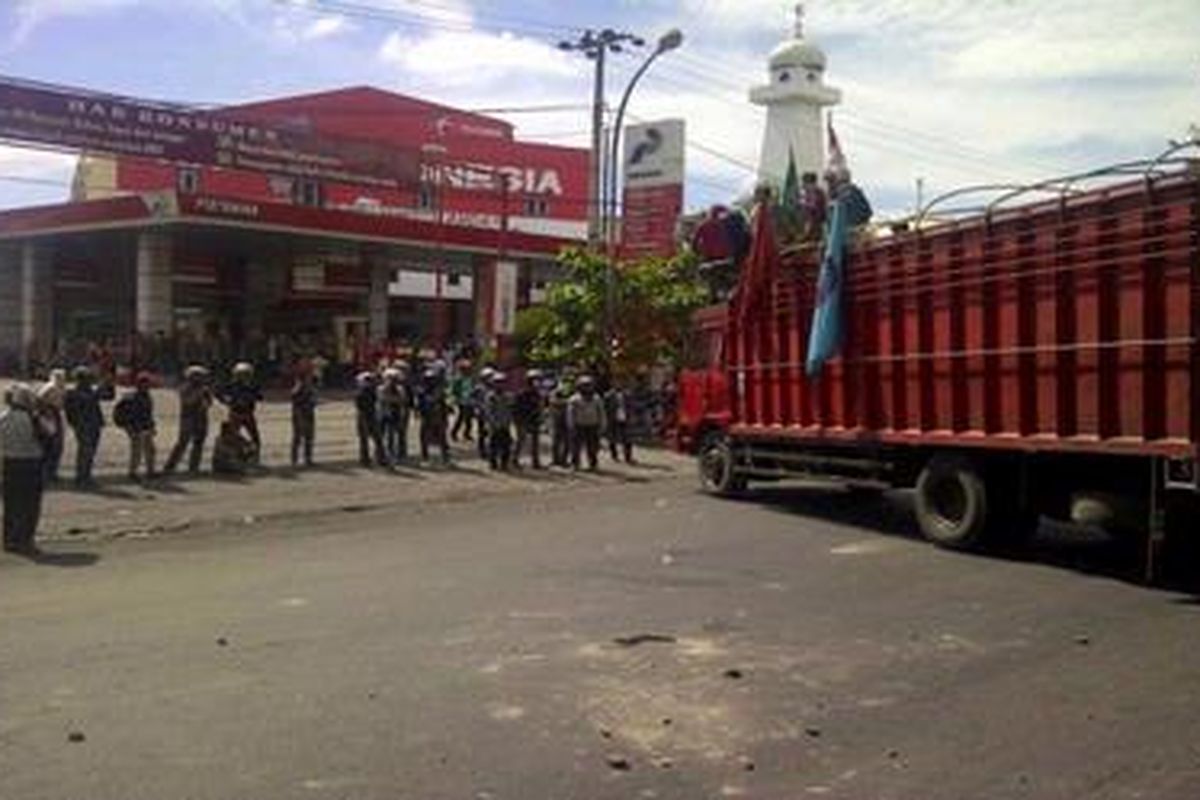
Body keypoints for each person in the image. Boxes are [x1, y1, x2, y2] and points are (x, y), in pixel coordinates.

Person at [1, 384, 47, 555]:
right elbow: (51, 432)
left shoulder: (3, 418)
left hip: (9, 463)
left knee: (11, 504)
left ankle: (9, 540)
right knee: (30, 506)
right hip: (31, 463)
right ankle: (25, 540)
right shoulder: (33, 419)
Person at [164, 365, 213, 475]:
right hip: (188, 418)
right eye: (199, 376)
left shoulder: (205, 389)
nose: (201, 379)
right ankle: (170, 466)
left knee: (198, 443)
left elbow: (209, 403)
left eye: (202, 377)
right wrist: (199, 393)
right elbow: (187, 401)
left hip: (201, 418)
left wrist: (206, 399)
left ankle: (193, 467)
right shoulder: (185, 387)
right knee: (182, 443)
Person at [63, 366, 106, 488]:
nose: (89, 381)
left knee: (91, 452)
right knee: (85, 451)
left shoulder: (90, 391)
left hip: (94, 424)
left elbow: (108, 395)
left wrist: (106, 384)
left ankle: (86, 475)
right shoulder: (73, 392)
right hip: (83, 425)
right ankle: (81, 477)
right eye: (86, 378)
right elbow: (86, 402)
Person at [115, 372, 157, 481]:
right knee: (136, 451)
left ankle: (150, 471)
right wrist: (128, 426)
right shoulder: (131, 397)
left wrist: (152, 426)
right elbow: (122, 413)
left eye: (147, 383)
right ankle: (133, 472)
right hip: (134, 427)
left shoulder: (147, 396)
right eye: (144, 383)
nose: (147, 386)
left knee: (150, 450)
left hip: (145, 426)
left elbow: (148, 413)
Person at [219, 362, 263, 463]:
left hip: (248, 414)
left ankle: (255, 458)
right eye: (242, 374)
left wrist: (252, 396)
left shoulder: (252, 385)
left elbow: (260, 396)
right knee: (234, 437)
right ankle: (236, 457)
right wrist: (227, 401)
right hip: (235, 413)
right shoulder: (232, 385)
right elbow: (219, 392)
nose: (244, 376)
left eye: (246, 374)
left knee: (255, 438)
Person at [568, 376, 605, 472]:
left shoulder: (596, 398)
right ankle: (575, 464)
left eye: (589, 385)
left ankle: (593, 464)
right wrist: (571, 425)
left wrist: (602, 424)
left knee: (592, 447)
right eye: (585, 386)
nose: (587, 388)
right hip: (579, 425)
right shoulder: (574, 399)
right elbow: (570, 414)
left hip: (593, 425)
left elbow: (601, 412)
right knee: (576, 447)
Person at [36, 368, 67, 483]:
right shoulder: (50, 387)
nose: (62, 379)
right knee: (51, 445)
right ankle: (48, 473)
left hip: (55, 413)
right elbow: (39, 400)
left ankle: (51, 472)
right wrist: (46, 411)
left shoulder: (58, 387)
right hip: (50, 413)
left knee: (56, 446)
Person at [417, 367, 451, 465]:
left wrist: (445, 417)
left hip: (438, 417)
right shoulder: (422, 392)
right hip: (427, 417)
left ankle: (445, 457)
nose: (430, 382)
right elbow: (420, 405)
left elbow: (444, 404)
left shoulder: (439, 392)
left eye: (432, 379)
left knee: (441, 437)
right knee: (424, 437)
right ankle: (425, 457)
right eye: (428, 380)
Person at [512, 369, 545, 469]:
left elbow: (540, 407)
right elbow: (516, 408)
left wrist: (539, 416)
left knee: (535, 441)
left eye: (539, 380)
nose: (537, 382)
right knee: (521, 440)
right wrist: (518, 420)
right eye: (535, 380)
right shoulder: (522, 394)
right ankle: (514, 459)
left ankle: (535, 462)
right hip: (523, 419)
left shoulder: (538, 394)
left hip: (534, 419)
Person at [377, 366, 409, 465]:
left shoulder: (400, 389)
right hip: (384, 414)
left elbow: (402, 400)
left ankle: (397, 454)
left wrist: (393, 399)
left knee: (395, 435)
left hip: (396, 414)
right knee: (382, 436)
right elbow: (382, 399)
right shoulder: (381, 389)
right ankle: (381, 455)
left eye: (394, 378)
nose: (392, 381)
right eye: (390, 378)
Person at [354, 371, 386, 468]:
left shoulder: (369, 391)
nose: (371, 382)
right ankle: (369, 459)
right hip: (365, 416)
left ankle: (374, 459)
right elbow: (360, 406)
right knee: (370, 439)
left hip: (369, 416)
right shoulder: (362, 392)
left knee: (374, 439)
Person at [483, 372, 513, 471]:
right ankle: (493, 463)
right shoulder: (490, 396)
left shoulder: (508, 396)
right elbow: (488, 411)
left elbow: (509, 410)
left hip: (504, 424)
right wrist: (494, 423)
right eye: (498, 382)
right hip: (494, 425)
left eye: (502, 382)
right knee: (493, 445)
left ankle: (504, 463)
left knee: (506, 445)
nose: (500, 384)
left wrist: (507, 422)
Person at [290, 369, 318, 468]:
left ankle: (308, 459)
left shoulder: (311, 388)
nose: (310, 379)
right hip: (300, 414)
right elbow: (295, 402)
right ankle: (294, 460)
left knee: (309, 438)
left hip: (309, 413)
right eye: (308, 377)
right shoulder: (298, 388)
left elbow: (314, 401)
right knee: (298, 437)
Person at [605, 381, 635, 464]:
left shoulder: (627, 395)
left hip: (625, 418)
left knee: (627, 438)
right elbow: (605, 408)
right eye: (616, 383)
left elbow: (631, 406)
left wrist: (631, 416)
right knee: (612, 438)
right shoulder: (608, 395)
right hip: (613, 419)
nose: (618, 385)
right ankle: (614, 456)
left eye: (620, 383)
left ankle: (628, 456)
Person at [473, 366, 496, 462]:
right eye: (488, 376)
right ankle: (482, 451)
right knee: (482, 432)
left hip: (492, 413)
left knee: (492, 433)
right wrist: (477, 408)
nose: (490, 378)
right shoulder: (479, 388)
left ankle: (492, 451)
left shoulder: (494, 388)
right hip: (482, 413)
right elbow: (474, 399)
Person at [449, 363, 476, 443]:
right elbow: (454, 390)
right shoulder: (459, 379)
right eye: (466, 369)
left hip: (470, 401)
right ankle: (454, 433)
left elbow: (473, 388)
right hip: (462, 401)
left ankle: (467, 434)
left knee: (469, 419)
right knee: (461, 418)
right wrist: (456, 399)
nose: (468, 371)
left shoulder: (471, 379)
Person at [548, 380, 572, 468]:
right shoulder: (553, 396)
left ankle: (563, 460)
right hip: (556, 422)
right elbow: (552, 403)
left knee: (566, 442)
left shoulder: (568, 397)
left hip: (566, 422)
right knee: (556, 442)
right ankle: (556, 460)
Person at [801, 171, 828, 240]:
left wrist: (803, 203)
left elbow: (814, 206)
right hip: (811, 223)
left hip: (816, 224)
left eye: (805, 183)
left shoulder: (816, 192)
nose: (803, 185)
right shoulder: (810, 192)